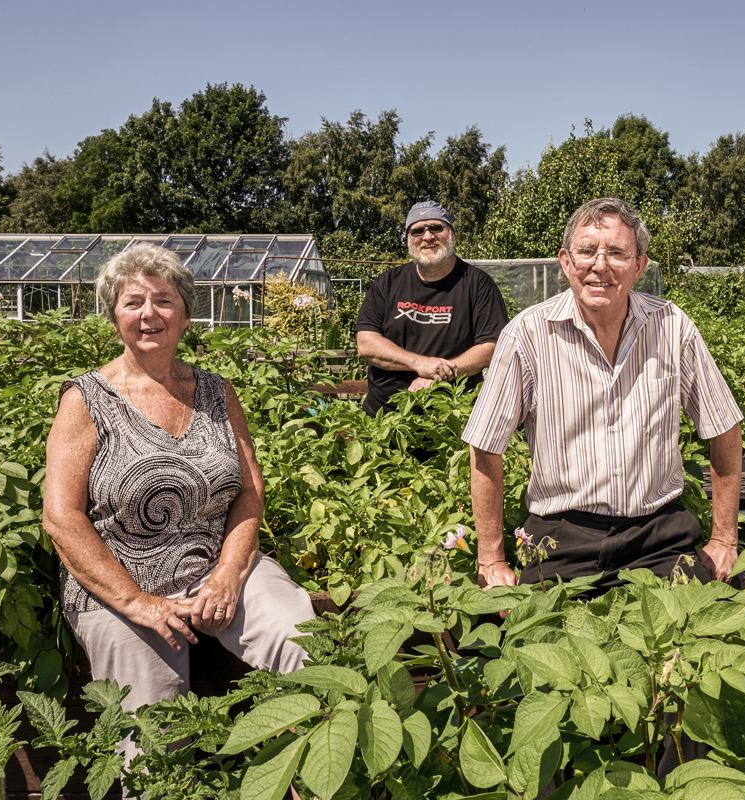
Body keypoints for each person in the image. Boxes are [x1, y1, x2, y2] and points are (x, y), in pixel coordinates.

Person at [42, 243, 314, 761]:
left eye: (164, 301)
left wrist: (229, 575)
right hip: (122, 582)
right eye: (133, 302)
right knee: (153, 730)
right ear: (113, 315)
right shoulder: (85, 399)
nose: (149, 314)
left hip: (218, 565)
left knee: (302, 638)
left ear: (186, 314)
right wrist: (138, 603)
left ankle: (311, 776)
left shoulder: (216, 392)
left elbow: (248, 493)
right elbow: (62, 518)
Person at [463, 198, 743, 594]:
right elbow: (485, 448)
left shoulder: (673, 328)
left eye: (616, 252)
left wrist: (725, 539)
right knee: (535, 648)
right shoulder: (527, 335)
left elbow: (725, 426)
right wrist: (491, 560)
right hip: (562, 538)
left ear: (639, 266)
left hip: (658, 538)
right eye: (587, 251)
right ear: (565, 261)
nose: (600, 265)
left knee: (706, 642)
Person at [355, 200, 509, 415]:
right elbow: (366, 344)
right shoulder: (388, 283)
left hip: (452, 419)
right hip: (385, 420)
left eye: (436, 228)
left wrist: (441, 374)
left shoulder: (477, 284)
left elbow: (492, 347)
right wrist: (419, 363)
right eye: (418, 231)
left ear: (451, 234)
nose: (427, 237)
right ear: (409, 240)